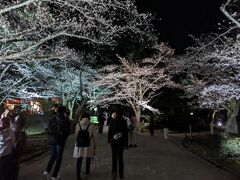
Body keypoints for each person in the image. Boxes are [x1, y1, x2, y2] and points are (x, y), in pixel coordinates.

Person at [43, 106, 70, 180]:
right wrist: (64, 138)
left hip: (52, 139)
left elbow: (49, 128)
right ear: (64, 112)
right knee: (59, 157)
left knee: (53, 155)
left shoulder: (52, 118)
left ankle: (47, 170)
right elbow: (67, 132)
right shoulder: (65, 120)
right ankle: (54, 175)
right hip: (60, 140)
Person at [73, 112, 96, 180]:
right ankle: (87, 171)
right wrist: (95, 145)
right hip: (89, 144)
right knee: (88, 157)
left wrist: (76, 142)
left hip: (79, 144)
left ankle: (78, 175)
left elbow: (75, 135)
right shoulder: (92, 125)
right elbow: (94, 136)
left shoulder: (78, 124)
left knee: (79, 159)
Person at [108, 107, 128, 180]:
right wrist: (126, 143)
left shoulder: (113, 120)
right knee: (120, 157)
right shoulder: (124, 121)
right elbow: (126, 133)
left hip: (113, 142)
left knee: (114, 157)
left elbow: (110, 131)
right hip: (121, 142)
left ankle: (114, 173)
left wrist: (109, 140)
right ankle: (121, 174)